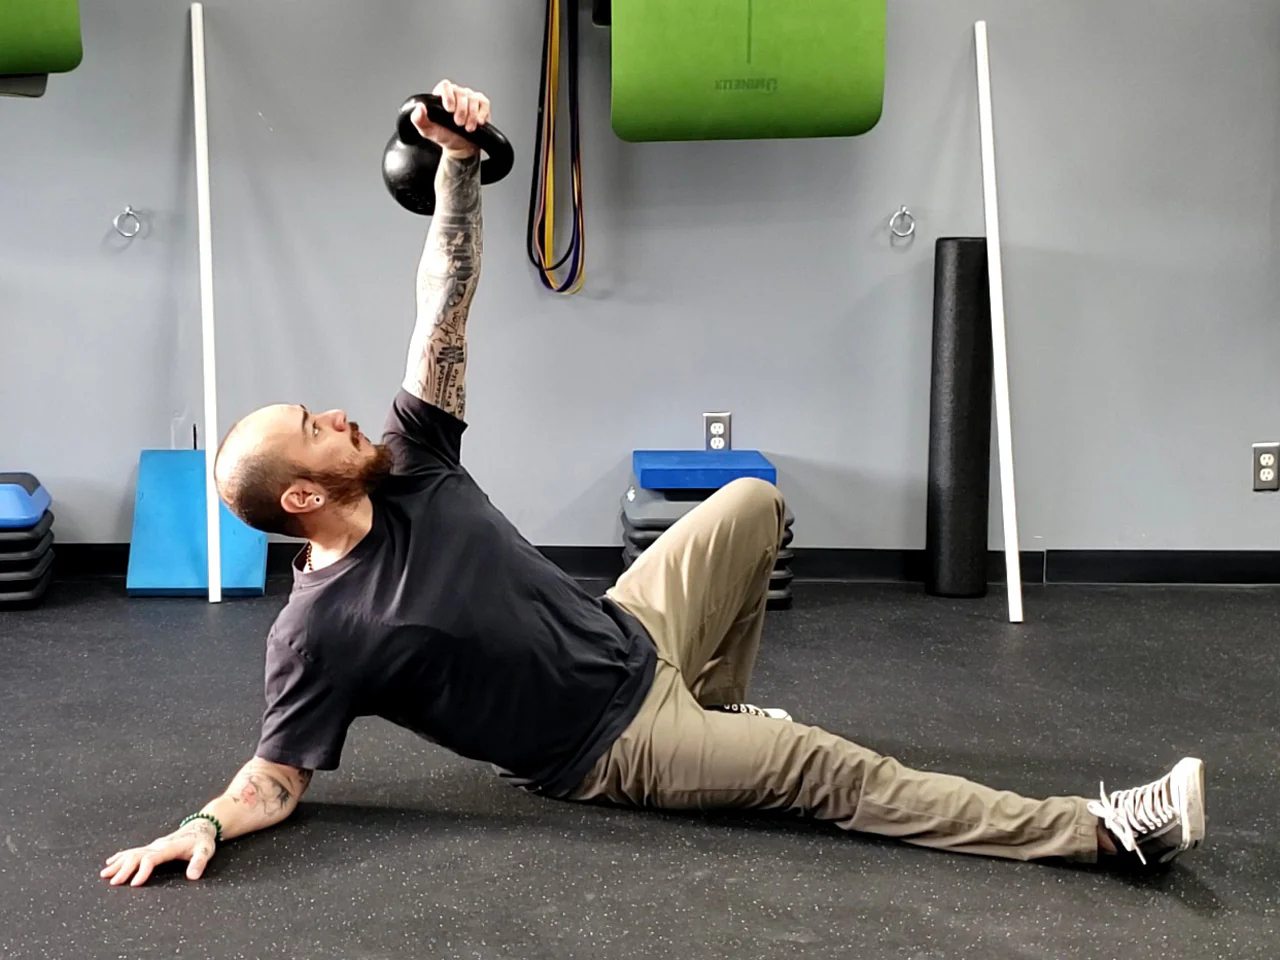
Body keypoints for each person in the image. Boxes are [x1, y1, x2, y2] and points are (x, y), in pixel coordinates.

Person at [100, 80, 1206, 889]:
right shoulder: (316, 632)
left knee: (750, 505)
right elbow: (277, 775)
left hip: (628, 630)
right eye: (314, 428)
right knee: (831, 771)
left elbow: (442, 299)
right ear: (300, 496)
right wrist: (201, 820)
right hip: (608, 746)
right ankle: (1103, 835)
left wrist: (455, 171)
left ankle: (720, 711)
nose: (337, 415)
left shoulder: (411, 462)